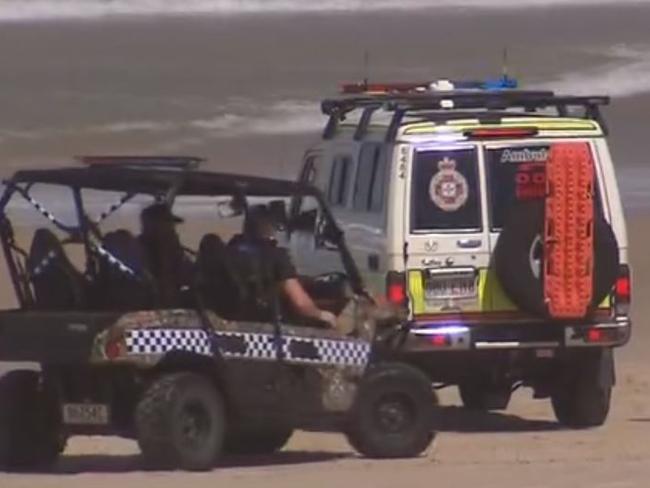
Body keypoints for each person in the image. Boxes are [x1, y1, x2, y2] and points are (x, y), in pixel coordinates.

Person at [229, 205, 338, 328]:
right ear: (267, 227)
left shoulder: (230, 251)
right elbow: (301, 304)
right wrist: (322, 315)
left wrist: (307, 280)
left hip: (236, 321)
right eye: (273, 225)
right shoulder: (275, 256)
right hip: (268, 327)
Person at [138, 202, 193, 307]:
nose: (172, 229)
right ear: (151, 225)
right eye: (167, 223)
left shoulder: (175, 252)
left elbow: (189, 276)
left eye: (171, 225)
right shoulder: (139, 253)